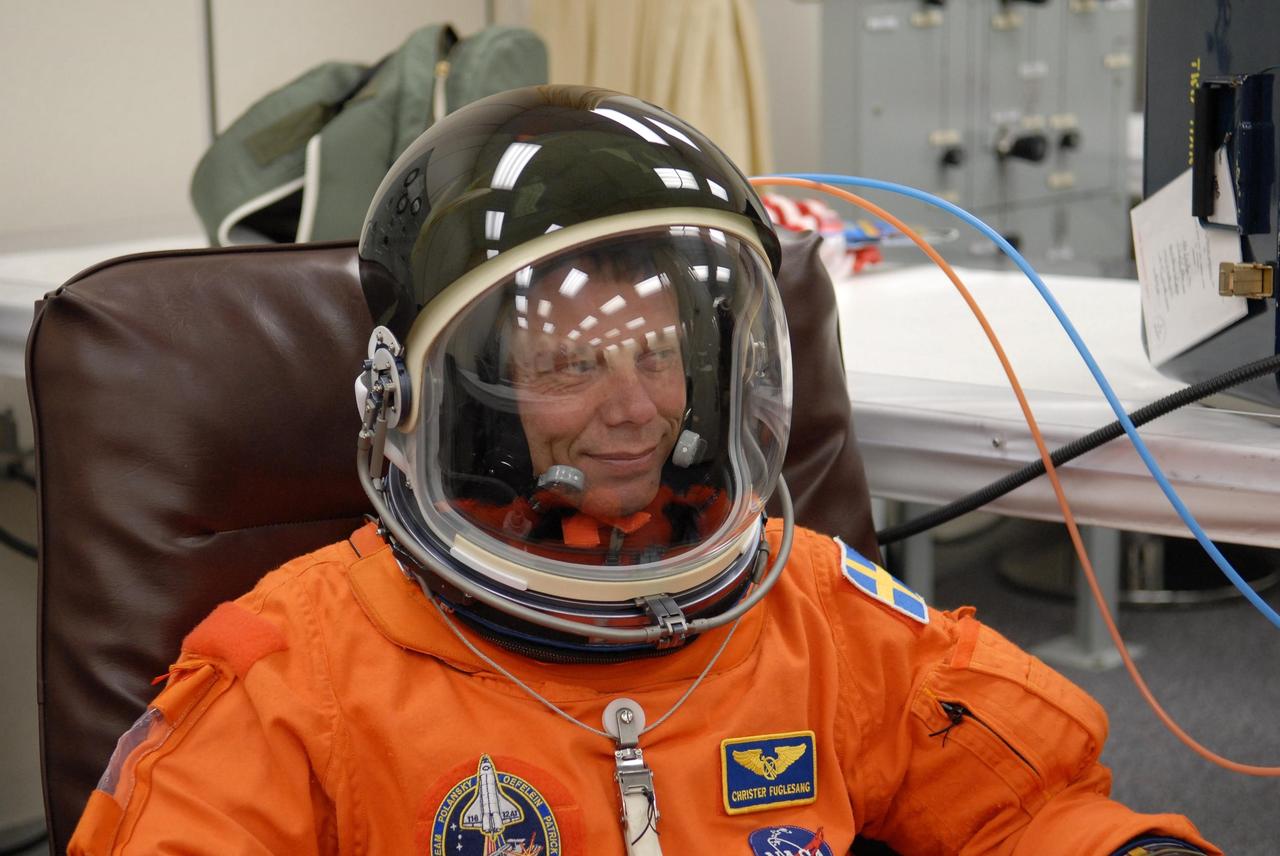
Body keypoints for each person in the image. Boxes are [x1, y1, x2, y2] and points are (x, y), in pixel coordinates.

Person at [69, 85, 1218, 856]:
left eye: (658, 352)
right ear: (446, 400)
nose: (631, 407)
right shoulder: (300, 672)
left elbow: (1035, 804)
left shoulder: (804, 610)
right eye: (569, 363)